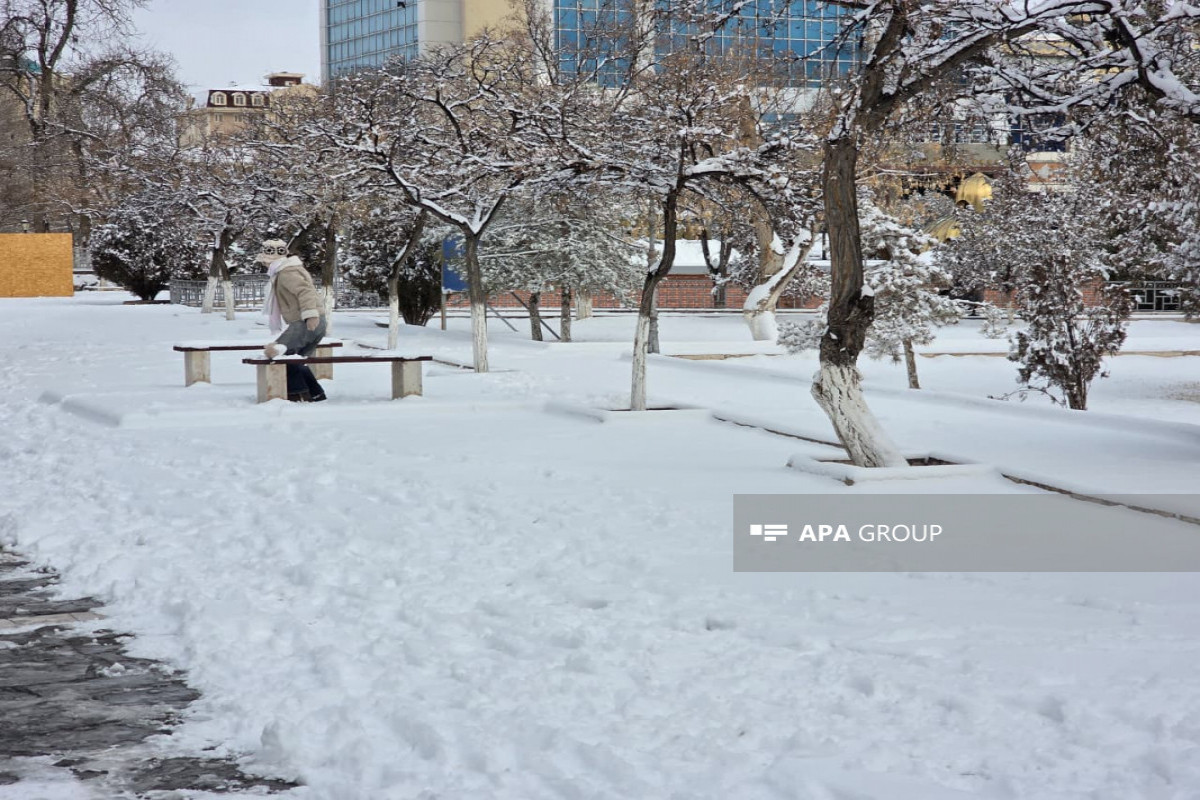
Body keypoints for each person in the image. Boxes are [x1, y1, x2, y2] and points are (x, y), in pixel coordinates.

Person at [259, 239, 328, 402]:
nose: (264, 265)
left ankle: (297, 394)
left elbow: (305, 292)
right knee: (295, 359)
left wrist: (311, 315)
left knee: (279, 355)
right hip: (312, 322)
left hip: (306, 322)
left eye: (265, 261)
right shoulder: (287, 270)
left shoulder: (286, 273)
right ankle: (315, 393)